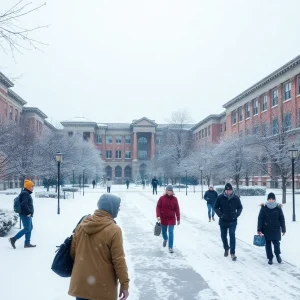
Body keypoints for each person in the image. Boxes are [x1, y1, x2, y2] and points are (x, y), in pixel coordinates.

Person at [69, 194, 130, 300]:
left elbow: (73, 252)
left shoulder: (82, 224)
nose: (118, 210)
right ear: (112, 208)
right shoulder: (114, 230)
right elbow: (119, 260)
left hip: (81, 285)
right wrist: (124, 285)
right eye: (117, 207)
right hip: (103, 288)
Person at [214, 183, 243, 261]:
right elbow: (215, 207)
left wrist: (237, 214)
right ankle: (226, 247)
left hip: (233, 220)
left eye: (230, 190)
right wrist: (221, 215)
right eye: (227, 190)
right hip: (223, 220)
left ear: (232, 190)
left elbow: (240, 207)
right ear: (225, 190)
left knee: (232, 235)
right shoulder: (220, 197)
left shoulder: (236, 198)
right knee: (223, 236)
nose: (228, 192)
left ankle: (232, 253)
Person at [257, 192, 286, 265]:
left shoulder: (278, 208)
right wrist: (259, 229)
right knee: (268, 244)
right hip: (266, 229)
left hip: (276, 229)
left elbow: (282, 219)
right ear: (267, 199)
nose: (271, 200)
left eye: (272, 199)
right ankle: (270, 258)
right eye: (269, 199)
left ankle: (277, 255)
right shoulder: (264, 208)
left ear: (274, 199)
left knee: (276, 244)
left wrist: (283, 229)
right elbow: (260, 219)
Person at [9, 179, 36, 249]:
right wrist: (29, 212)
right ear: (28, 187)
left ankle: (27, 243)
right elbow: (24, 204)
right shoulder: (25, 194)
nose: (32, 188)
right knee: (27, 228)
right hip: (25, 214)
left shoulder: (25, 193)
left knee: (30, 228)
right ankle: (13, 239)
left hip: (26, 214)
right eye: (31, 186)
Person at [156, 185, 180, 253]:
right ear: (166, 191)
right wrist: (158, 216)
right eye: (168, 190)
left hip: (172, 218)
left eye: (170, 190)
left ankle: (170, 247)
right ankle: (165, 239)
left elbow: (177, 209)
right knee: (164, 232)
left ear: (172, 191)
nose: (169, 192)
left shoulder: (175, 199)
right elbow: (158, 207)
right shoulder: (162, 198)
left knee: (171, 232)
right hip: (163, 218)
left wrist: (178, 218)